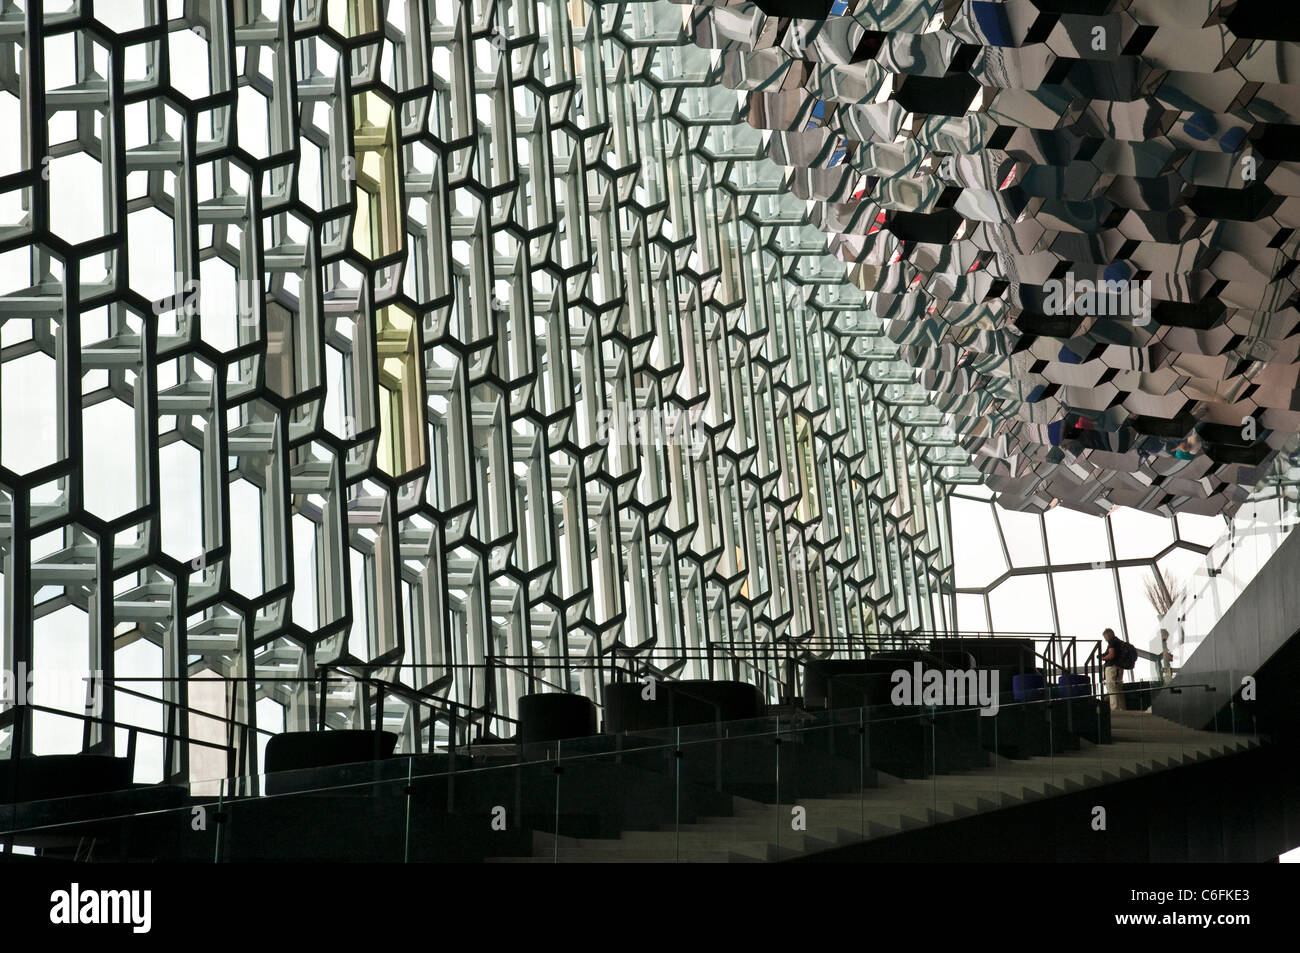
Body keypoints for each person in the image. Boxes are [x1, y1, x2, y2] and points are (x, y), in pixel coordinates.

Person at [1099, 627, 1127, 711]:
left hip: (1112, 668)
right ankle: (1122, 708)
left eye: (1105, 637)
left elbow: (1111, 655)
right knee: (1118, 688)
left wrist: (1103, 658)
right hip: (1119, 668)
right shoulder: (1119, 642)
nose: (1105, 639)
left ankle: (1114, 709)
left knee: (1111, 688)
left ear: (1108, 635)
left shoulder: (1112, 642)